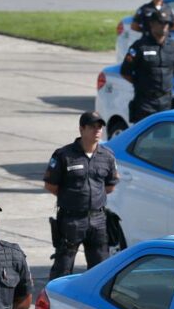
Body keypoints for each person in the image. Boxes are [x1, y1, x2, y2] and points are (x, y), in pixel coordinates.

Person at [43, 110, 120, 280]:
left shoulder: (107, 156)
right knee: (63, 266)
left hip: (98, 219)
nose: (97, 131)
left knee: (100, 269)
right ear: (81, 129)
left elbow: (110, 186)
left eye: (99, 127)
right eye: (92, 127)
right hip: (71, 219)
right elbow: (50, 185)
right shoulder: (64, 155)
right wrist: (73, 199)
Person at [121, 8, 174, 124]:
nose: (164, 26)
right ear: (152, 24)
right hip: (145, 104)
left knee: (164, 140)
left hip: (166, 104)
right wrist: (141, 84)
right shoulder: (139, 47)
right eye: (160, 23)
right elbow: (125, 72)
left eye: (166, 23)